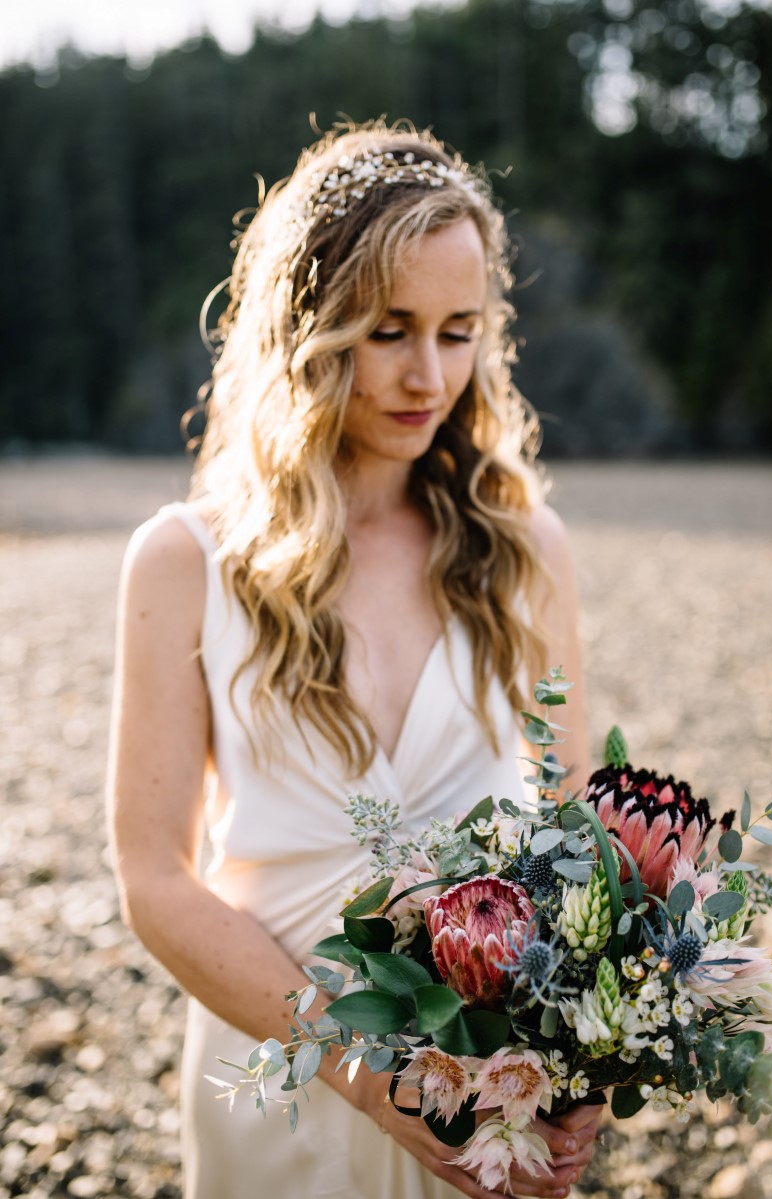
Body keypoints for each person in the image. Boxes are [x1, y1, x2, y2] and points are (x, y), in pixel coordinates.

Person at [107, 119, 601, 1199]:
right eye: (388, 329)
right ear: (308, 323)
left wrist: (589, 1054)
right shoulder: (183, 562)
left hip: (491, 1087)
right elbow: (152, 874)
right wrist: (365, 1071)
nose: (429, 374)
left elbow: (577, 830)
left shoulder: (526, 553)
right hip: (278, 1072)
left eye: (459, 329)